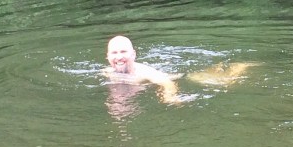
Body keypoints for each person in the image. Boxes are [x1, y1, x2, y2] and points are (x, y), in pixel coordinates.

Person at [104, 35, 257, 106]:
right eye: (114, 53)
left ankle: (240, 66)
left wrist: (169, 97)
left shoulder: (144, 73)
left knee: (223, 82)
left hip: (181, 75)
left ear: (133, 54)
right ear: (108, 56)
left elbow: (166, 82)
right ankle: (217, 67)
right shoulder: (107, 72)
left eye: (123, 52)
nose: (119, 57)